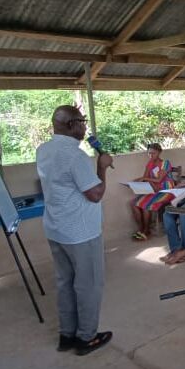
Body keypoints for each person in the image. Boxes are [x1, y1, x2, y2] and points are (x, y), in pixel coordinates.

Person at [36, 105, 113, 355]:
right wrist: (102, 166)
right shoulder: (75, 156)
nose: (85, 126)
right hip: (81, 233)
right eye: (82, 121)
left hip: (56, 229)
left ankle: (66, 335)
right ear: (71, 125)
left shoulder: (43, 150)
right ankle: (86, 338)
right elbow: (95, 194)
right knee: (88, 285)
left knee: (64, 283)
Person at [130, 143, 174, 241]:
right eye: (149, 153)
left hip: (166, 190)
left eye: (153, 153)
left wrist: (144, 178)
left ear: (159, 152)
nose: (151, 156)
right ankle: (141, 229)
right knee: (133, 203)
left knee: (145, 205)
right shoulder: (150, 164)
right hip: (154, 189)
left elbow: (158, 180)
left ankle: (146, 231)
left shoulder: (165, 163)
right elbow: (144, 178)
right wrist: (135, 181)